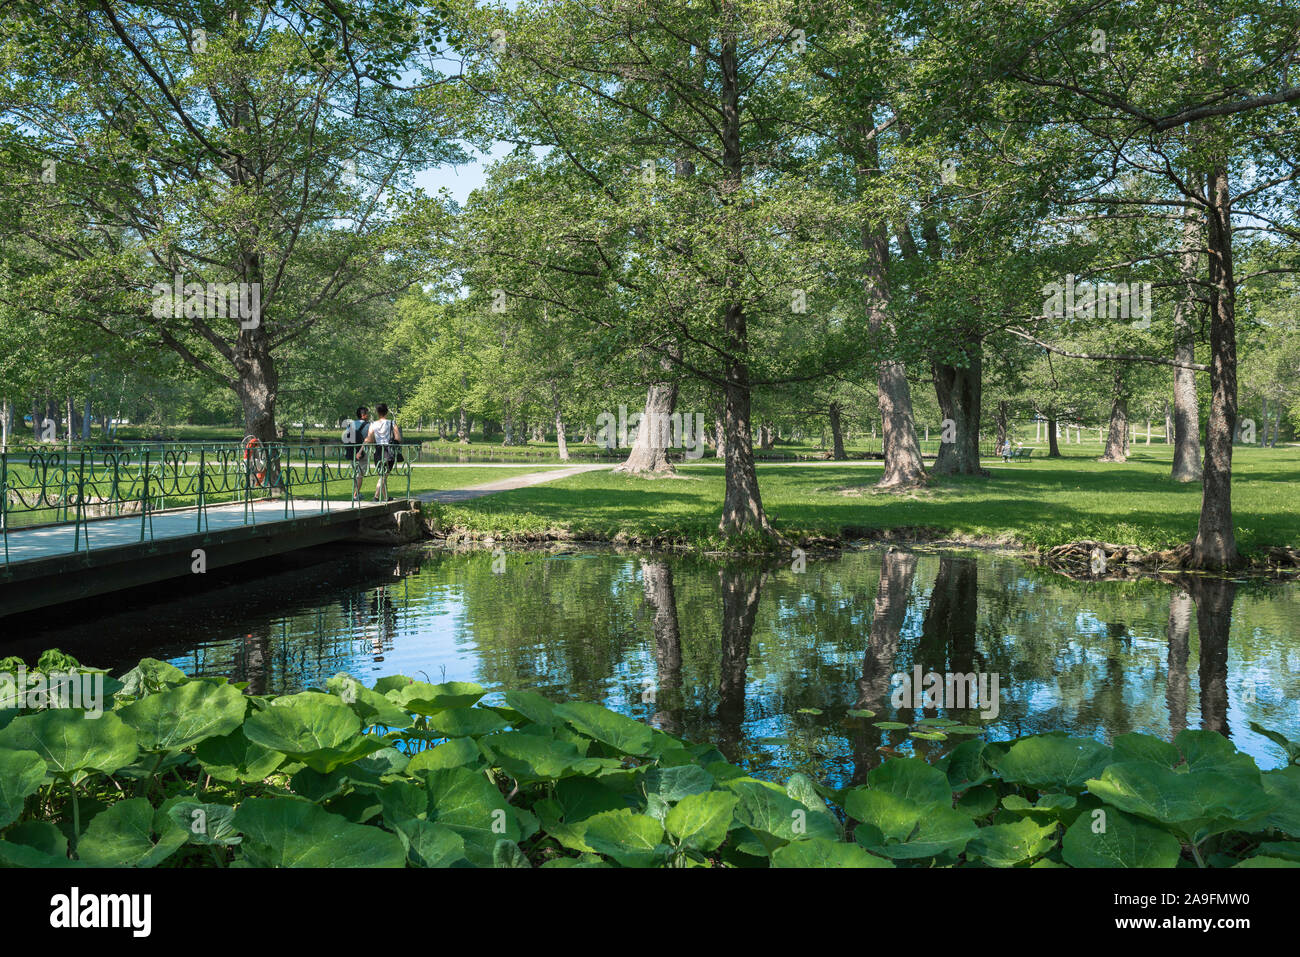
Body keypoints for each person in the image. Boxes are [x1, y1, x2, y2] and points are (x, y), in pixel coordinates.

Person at [362, 403, 402, 502]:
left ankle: (385, 497)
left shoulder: (373, 424)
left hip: (378, 451)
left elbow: (370, 439)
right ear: (387, 412)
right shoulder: (392, 423)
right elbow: (398, 438)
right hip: (389, 450)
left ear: (377, 412)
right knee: (384, 476)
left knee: (382, 475)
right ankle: (376, 497)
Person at [347, 406, 371, 502]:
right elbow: (370, 438)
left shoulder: (350, 424)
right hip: (363, 451)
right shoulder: (369, 425)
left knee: (355, 473)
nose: (368, 415)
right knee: (360, 474)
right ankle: (356, 494)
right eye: (367, 414)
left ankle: (356, 492)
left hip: (352, 451)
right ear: (363, 415)